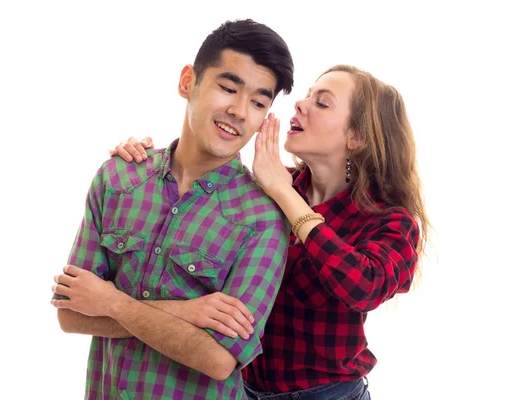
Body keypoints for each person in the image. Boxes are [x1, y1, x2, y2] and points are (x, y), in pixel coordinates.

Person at [112, 64, 429, 400]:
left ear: (356, 137)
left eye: (322, 103)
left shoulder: (390, 222)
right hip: (243, 390)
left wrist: (286, 196)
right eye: (306, 95)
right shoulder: (269, 188)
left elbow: (363, 286)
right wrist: (149, 160)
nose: (300, 105)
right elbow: (197, 199)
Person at [51, 19, 295, 400]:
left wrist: (112, 302)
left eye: (259, 102)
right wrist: (186, 312)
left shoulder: (262, 219)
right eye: (228, 88)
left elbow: (218, 359)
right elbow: (71, 312)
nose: (239, 111)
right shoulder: (118, 178)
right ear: (188, 82)